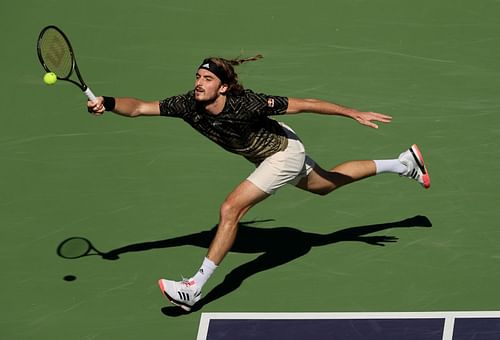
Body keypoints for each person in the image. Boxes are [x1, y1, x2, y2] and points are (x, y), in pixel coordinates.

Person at [87, 55, 430, 311]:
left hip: (282, 153)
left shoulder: (246, 103)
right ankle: (402, 164)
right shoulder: (187, 105)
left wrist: (352, 112)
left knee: (230, 208)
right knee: (326, 185)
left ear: (222, 86)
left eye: (207, 78)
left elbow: (306, 104)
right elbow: (142, 108)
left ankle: (194, 287)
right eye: (197, 76)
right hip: (265, 157)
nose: (199, 83)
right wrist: (110, 102)